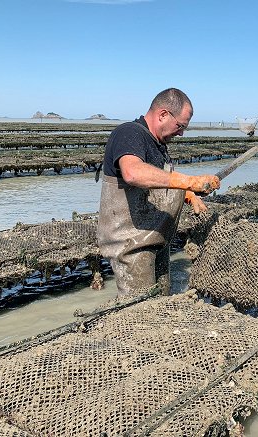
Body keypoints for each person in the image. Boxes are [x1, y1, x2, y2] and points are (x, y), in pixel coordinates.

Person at [97, 88, 220, 296]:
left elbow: (157, 182)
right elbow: (133, 173)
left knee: (162, 301)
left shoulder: (158, 144)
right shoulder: (129, 133)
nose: (181, 133)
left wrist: (188, 195)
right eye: (180, 126)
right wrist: (189, 182)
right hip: (131, 246)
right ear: (163, 114)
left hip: (156, 239)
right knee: (140, 311)